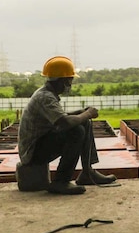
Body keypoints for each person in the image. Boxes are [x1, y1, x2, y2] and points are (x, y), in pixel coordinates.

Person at [17, 55, 117, 195]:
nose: (70, 84)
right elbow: (64, 123)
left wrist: (81, 113)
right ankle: (61, 181)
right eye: (69, 80)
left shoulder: (46, 94)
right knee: (76, 130)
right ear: (60, 80)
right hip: (32, 153)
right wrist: (87, 114)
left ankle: (87, 172)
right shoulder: (45, 97)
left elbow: (59, 117)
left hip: (40, 143)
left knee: (84, 122)